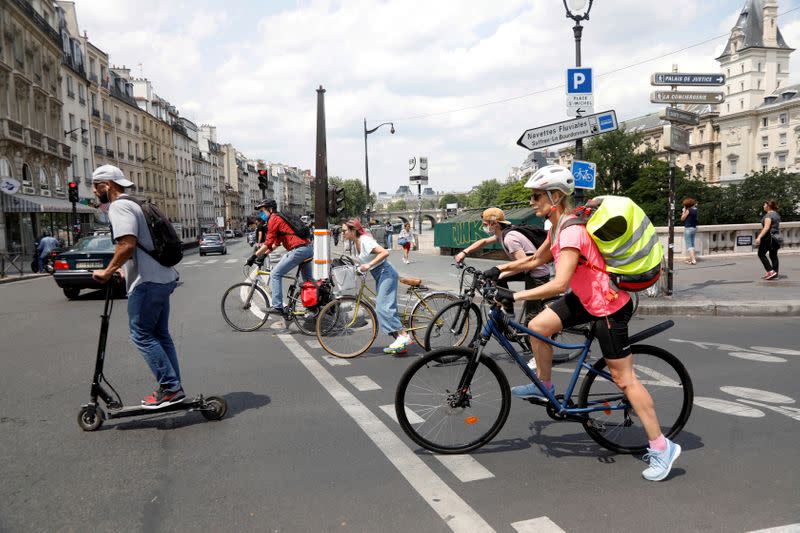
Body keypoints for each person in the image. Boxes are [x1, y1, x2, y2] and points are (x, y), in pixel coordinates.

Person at [489, 164, 681, 481]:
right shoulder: (557, 227)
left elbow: (558, 283)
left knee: (625, 380)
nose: (533, 201)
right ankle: (546, 383)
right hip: (584, 298)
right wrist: (499, 273)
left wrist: (515, 297)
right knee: (538, 326)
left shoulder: (572, 231)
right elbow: (537, 260)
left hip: (606, 306)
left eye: (537, 196)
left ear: (554, 196)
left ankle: (662, 448)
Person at [89, 165, 184, 409]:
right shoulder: (136, 202)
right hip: (164, 277)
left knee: (141, 334)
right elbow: (139, 244)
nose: (93, 191)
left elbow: (127, 244)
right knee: (160, 334)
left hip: (147, 282)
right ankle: (174, 386)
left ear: (106, 185)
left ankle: (171, 388)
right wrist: (122, 269)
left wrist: (108, 271)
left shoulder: (119, 206)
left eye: (95, 186)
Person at [455, 207, 549, 322]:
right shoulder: (501, 233)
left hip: (537, 274)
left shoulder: (509, 238)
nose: (484, 227)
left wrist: (502, 273)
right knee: (498, 276)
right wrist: (465, 252)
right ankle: (508, 307)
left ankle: (528, 330)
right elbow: (484, 241)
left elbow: (525, 265)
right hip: (529, 269)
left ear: (495, 224)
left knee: (531, 317)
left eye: (485, 224)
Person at [342, 218, 413, 355]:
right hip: (379, 273)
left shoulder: (364, 240)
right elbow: (366, 259)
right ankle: (400, 343)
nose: (342, 233)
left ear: (353, 230)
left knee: (382, 307)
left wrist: (368, 265)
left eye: (344, 230)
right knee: (385, 307)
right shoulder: (356, 242)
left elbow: (384, 252)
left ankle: (404, 336)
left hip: (385, 273)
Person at [246, 199, 314, 317]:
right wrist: (265, 255)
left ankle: (277, 306)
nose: (261, 214)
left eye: (263, 211)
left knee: (275, 274)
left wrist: (254, 256)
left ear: (270, 209)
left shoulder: (274, 219)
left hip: (298, 250)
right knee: (309, 282)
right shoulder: (280, 219)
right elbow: (275, 244)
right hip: (307, 249)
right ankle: (316, 306)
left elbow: (267, 243)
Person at [756, 199, 782, 280]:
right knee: (773, 255)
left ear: (768, 206)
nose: (763, 206)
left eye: (764, 205)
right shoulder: (776, 214)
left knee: (761, 253)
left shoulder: (768, 216)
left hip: (769, 237)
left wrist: (759, 237)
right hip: (776, 237)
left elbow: (766, 228)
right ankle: (775, 274)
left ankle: (770, 271)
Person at [681, 198, 698, 265]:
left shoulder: (688, 210)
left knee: (689, 245)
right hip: (694, 228)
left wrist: (683, 211)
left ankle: (693, 260)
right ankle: (692, 259)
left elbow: (682, 219)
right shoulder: (695, 210)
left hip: (688, 228)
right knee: (692, 244)